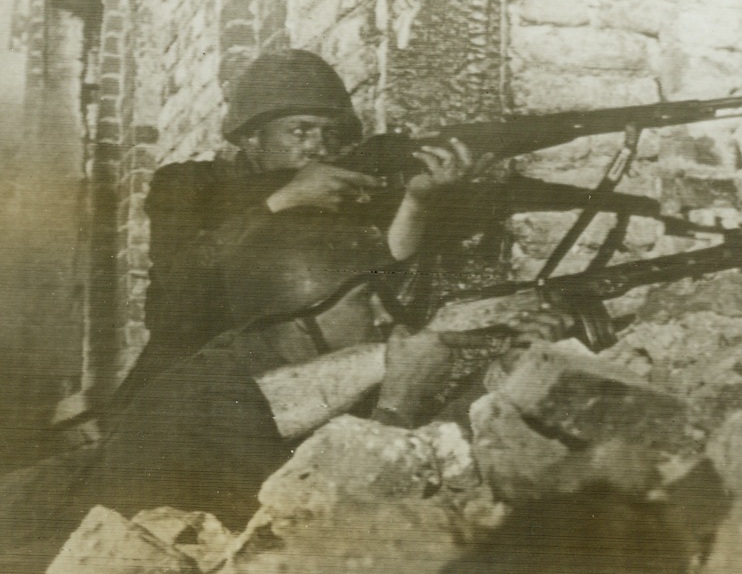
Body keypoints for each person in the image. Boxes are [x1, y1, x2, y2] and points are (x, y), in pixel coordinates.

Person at [87, 210, 496, 530]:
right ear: (300, 314)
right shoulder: (206, 400)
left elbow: (433, 462)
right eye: (364, 298)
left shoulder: (279, 372)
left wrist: (495, 383)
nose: (385, 315)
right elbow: (308, 536)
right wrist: (398, 403)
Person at [123, 49, 492, 401]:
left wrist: (418, 202)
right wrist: (280, 202)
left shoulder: (343, 199)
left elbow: (387, 287)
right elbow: (180, 288)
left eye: (331, 134)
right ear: (252, 138)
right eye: (300, 132)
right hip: (193, 382)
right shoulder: (188, 185)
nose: (319, 147)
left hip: (309, 379)